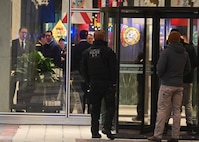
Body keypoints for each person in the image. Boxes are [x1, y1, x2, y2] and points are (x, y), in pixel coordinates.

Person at [147, 31, 191, 142]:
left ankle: (158, 135)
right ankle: (175, 136)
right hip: (179, 85)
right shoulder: (184, 53)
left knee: (162, 110)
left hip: (167, 84)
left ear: (169, 40)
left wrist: (163, 76)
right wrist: (179, 76)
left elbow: (160, 68)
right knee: (177, 111)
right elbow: (188, 69)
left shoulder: (166, 52)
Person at [80, 30, 117, 140]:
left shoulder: (87, 52)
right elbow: (113, 68)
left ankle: (95, 131)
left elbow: (83, 68)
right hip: (107, 83)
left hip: (94, 83)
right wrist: (113, 82)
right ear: (104, 37)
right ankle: (107, 127)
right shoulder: (108, 52)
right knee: (110, 106)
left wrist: (88, 80)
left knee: (95, 108)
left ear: (94, 38)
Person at [164, 29, 197, 134]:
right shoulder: (189, 48)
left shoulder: (169, 50)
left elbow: (162, 67)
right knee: (187, 103)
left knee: (170, 104)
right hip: (187, 80)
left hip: (172, 81)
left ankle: (165, 124)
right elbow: (194, 64)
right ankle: (189, 125)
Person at [10, 27, 34, 108]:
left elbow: (31, 55)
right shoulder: (14, 43)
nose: (24, 34)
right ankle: (10, 103)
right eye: (22, 32)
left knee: (22, 87)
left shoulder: (29, 44)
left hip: (24, 69)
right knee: (12, 86)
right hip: (15, 67)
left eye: (25, 33)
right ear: (19, 33)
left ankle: (19, 105)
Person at [71, 30, 92, 113]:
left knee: (79, 92)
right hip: (88, 73)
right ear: (87, 37)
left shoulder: (75, 48)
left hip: (76, 73)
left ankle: (81, 109)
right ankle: (89, 110)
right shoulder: (90, 48)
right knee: (88, 92)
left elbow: (72, 61)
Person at [133, 51, 144, 121]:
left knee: (141, 97)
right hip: (141, 79)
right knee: (140, 97)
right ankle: (140, 114)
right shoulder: (141, 53)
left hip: (142, 79)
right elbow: (136, 62)